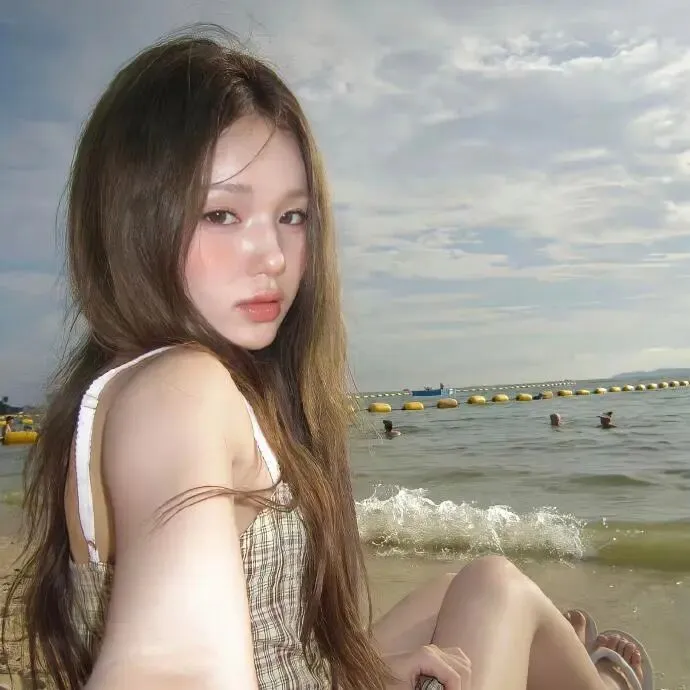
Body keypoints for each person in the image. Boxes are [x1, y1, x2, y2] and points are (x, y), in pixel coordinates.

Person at [1, 27, 653, 690]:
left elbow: (256, 640)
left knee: (458, 587)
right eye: (222, 215)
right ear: (131, 217)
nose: (274, 257)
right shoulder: (181, 390)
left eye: (293, 216)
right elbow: (171, 666)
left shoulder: (114, 388)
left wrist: (363, 671)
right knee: (496, 589)